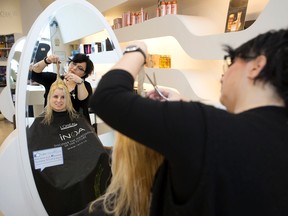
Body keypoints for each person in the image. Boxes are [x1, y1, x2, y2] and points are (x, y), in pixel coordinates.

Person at [88, 28, 288, 216]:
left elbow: (106, 97)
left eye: (230, 61)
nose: (224, 73)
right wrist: (183, 109)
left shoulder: (208, 129)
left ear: (256, 66)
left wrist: (137, 50)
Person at [27, 76, 111, 216]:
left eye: (63, 97)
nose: (59, 101)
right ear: (49, 98)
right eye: (55, 97)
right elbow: (34, 154)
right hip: (57, 172)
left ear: (68, 99)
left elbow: (92, 145)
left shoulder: (76, 117)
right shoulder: (40, 123)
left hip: (83, 164)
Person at [31, 53, 94, 124]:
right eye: (73, 63)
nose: (74, 68)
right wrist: (47, 61)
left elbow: (83, 102)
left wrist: (79, 82)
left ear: (84, 74)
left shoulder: (85, 86)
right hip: (53, 125)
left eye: (80, 68)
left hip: (76, 128)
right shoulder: (53, 79)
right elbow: (34, 74)